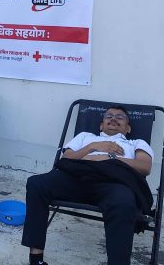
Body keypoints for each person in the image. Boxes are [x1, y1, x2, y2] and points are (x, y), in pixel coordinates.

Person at [21, 106, 155, 265]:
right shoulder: (85, 137)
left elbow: (144, 167)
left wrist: (110, 159)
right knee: (36, 184)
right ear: (101, 125)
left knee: (124, 203)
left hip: (113, 184)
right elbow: (66, 158)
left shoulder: (136, 143)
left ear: (128, 128)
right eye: (109, 116)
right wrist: (93, 147)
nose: (113, 118)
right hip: (77, 178)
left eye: (120, 117)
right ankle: (36, 260)